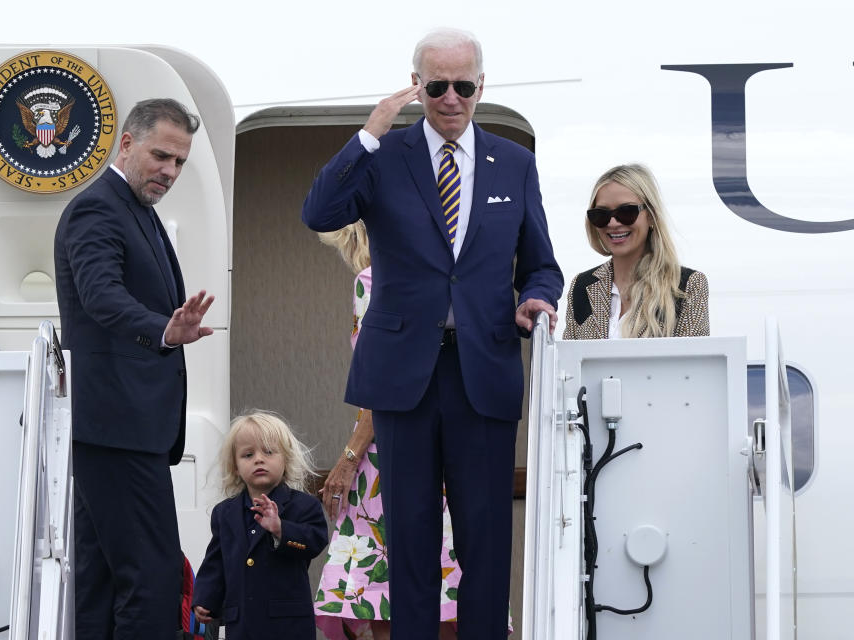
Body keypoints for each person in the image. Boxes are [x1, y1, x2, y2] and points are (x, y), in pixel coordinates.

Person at [302, 28, 563, 639]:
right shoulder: (384, 157)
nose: (451, 98)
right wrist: (369, 133)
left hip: (484, 369)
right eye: (437, 85)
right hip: (403, 375)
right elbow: (318, 212)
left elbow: (542, 264)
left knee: (485, 539)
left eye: (463, 86)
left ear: (481, 87)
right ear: (418, 84)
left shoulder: (514, 163)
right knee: (412, 541)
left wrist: (536, 299)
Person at [54, 98, 215, 639]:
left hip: (122, 429)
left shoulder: (136, 210)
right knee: (151, 577)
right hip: (116, 426)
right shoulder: (97, 208)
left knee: (100, 581)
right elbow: (101, 296)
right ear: (126, 143)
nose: (170, 172)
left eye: (179, 163)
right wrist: (165, 330)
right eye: (161, 156)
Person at [314, 222, 460, 640]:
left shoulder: (373, 281)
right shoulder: (444, 277)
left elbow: (380, 385)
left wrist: (347, 459)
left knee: (386, 597)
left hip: (391, 459)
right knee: (445, 594)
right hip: (449, 449)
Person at [192, 411, 328, 639]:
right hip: (242, 624)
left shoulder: (304, 505)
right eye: (247, 454)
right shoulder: (225, 513)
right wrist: (205, 597)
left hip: (288, 626)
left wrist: (280, 529)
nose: (258, 459)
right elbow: (215, 561)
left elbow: (315, 541)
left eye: (268, 452)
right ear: (235, 467)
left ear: (285, 460)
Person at [562, 164, 709, 339]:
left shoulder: (686, 286)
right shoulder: (581, 286)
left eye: (626, 212)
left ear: (651, 216)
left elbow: (693, 363)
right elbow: (569, 362)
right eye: (601, 214)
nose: (613, 223)